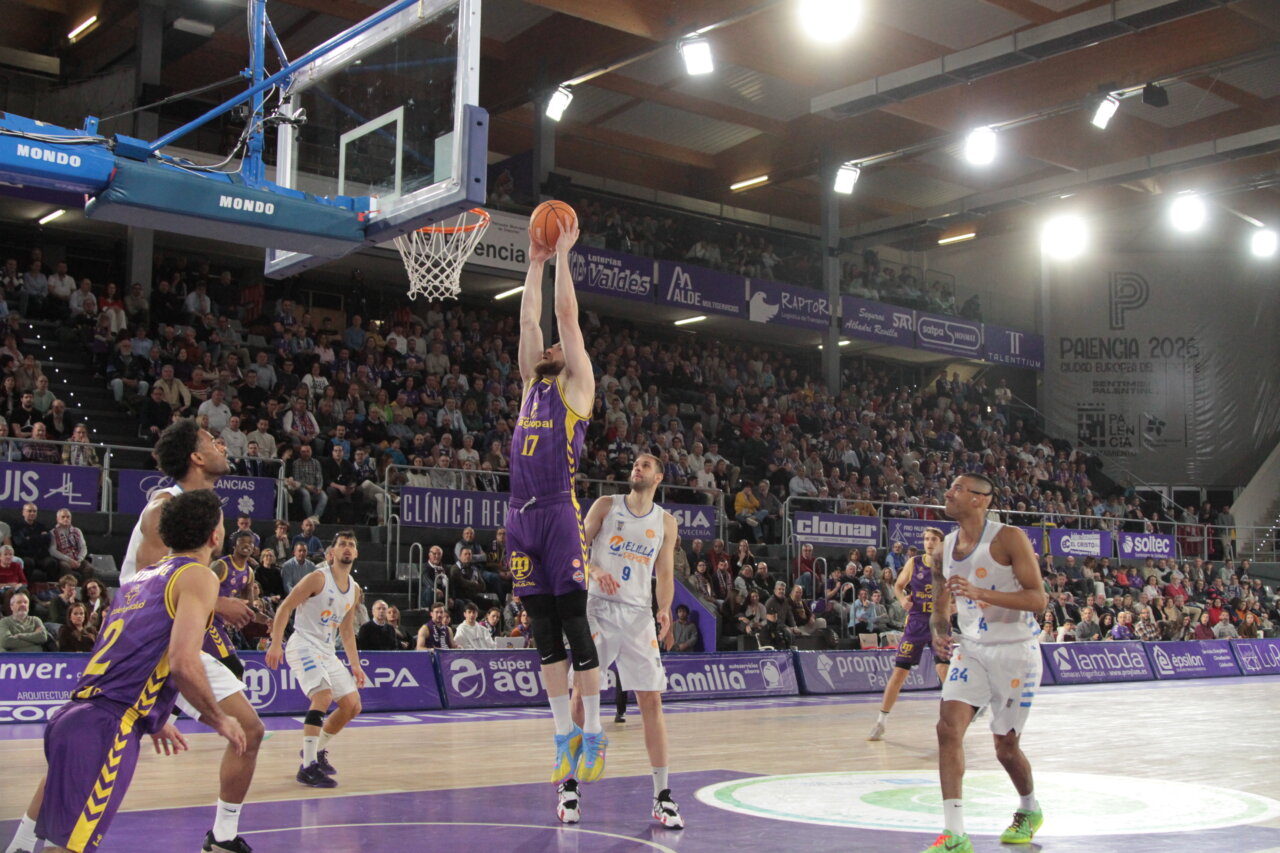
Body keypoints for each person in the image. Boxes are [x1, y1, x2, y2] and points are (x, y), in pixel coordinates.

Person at [6, 489, 248, 853]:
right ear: (215, 536)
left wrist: (156, 716)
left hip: (75, 714)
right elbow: (183, 661)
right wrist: (219, 719)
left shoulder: (140, 579)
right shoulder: (199, 576)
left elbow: (121, 649)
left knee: (60, 842)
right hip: (108, 724)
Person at [112, 419, 265, 853]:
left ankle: (223, 837)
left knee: (249, 730)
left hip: (171, 637)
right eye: (210, 441)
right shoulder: (164, 506)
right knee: (95, 744)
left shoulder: (205, 507)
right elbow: (149, 581)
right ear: (196, 457)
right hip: (140, 642)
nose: (221, 444)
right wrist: (218, 603)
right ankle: (26, 839)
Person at [508, 213, 608, 785]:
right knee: (543, 633)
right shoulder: (530, 384)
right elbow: (529, 317)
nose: (548, 344)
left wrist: (565, 253)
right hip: (519, 517)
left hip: (556, 511)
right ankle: (563, 739)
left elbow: (563, 316)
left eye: (555, 346)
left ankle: (593, 732)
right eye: (544, 346)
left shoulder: (577, 386)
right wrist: (534, 263)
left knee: (574, 624)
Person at [923, 473, 1047, 853]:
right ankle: (955, 834)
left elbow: (1038, 600)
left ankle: (1030, 808)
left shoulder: (1008, 538)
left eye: (958, 489)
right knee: (948, 728)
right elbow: (941, 598)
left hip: (1016, 652)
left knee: (1005, 749)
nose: (948, 493)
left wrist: (980, 592)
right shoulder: (944, 546)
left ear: (980, 499)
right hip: (972, 648)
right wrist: (939, 630)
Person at [561, 451, 683, 827]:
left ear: (658, 477)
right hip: (597, 606)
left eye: (645, 465)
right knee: (581, 692)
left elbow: (664, 574)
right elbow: (576, 549)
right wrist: (595, 570)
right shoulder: (606, 505)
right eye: (635, 464)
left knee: (651, 700)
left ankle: (662, 796)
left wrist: (664, 609)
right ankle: (569, 784)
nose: (637, 468)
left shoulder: (666, 522)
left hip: (637, 615)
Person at [266, 530, 366, 789]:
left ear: (356, 553)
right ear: (331, 553)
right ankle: (307, 767)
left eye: (351, 545)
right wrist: (276, 643)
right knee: (322, 695)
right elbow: (285, 606)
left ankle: (315, 750)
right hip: (303, 645)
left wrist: (355, 665)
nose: (347, 548)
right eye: (342, 544)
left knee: (352, 706)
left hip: (327, 651)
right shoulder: (317, 578)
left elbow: (345, 630)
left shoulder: (353, 590)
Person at [868, 526, 952, 742]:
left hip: (939, 623)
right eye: (926, 539)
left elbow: (961, 595)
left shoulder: (949, 564)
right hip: (916, 621)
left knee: (944, 670)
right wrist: (902, 599)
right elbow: (898, 585)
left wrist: (952, 609)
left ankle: (955, 720)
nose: (929, 542)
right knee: (899, 673)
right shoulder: (914, 563)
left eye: (934, 539)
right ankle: (880, 722)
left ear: (941, 543)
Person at [205, 531, 264, 679]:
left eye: (250, 543)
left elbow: (250, 608)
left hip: (220, 625)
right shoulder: (221, 565)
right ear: (234, 544)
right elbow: (201, 592)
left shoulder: (249, 573)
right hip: (207, 621)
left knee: (223, 672)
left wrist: (270, 621)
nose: (247, 545)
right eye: (243, 542)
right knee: (234, 669)